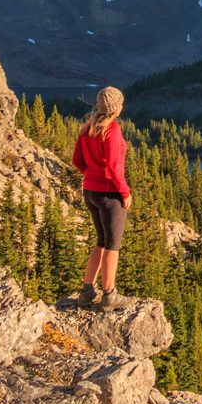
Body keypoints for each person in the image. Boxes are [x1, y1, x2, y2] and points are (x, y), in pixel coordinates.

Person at [71, 86, 131, 307]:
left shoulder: (87, 128)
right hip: (109, 195)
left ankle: (87, 290)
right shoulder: (112, 130)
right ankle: (109, 295)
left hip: (90, 192)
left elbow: (77, 161)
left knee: (101, 242)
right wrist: (125, 193)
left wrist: (92, 176)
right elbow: (115, 168)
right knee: (112, 245)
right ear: (116, 108)